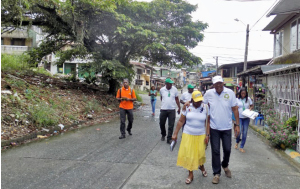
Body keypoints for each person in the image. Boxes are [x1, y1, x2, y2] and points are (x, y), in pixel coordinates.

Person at [184, 76, 240, 184]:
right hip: (214, 127)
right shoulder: (209, 93)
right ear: (213, 85)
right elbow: (199, 101)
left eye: (220, 83)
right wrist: (188, 103)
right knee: (215, 151)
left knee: (227, 149)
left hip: (227, 127)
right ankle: (216, 173)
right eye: (216, 84)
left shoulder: (230, 93)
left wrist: (237, 124)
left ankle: (224, 165)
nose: (218, 85)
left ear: (223, 83)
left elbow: (235, 109)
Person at [172, 91, 210, 184]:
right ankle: (190, 174)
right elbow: (181, 121)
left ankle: (202, 167)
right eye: (196, 101)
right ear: (192, 100)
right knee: (189, 155)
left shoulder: (205, 107)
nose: (198, 103)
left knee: (200, 154)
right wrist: (175, 133)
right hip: (188, 134)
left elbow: (208, 122)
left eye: (200, 101)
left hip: (201, 135)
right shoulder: (187, 106)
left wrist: (207, 135)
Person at [159, 78, 181, 144]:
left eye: (171, 83)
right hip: (163, 109)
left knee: (171, 125)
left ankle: (169, 138)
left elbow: (177, 99)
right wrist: (164, 103)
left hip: (172, 110)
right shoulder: (162, 90)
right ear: (166, 84)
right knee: (161, 123)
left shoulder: (175, 89)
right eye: (169, 84)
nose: (171, 85)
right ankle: (163, 134)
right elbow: (161, 98)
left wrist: (179, 107)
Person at [235, 88, 253, 153]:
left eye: (244, 94)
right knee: (239, 132)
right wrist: (236, 107)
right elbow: (234, 107)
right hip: (239, 117)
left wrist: (250, 108)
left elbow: (251, 106)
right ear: (240, 93)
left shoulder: (248, 99)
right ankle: (237, 141)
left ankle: (241, 146)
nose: (243, 95)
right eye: (242, 93)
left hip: (246, 117)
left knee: (244, 132)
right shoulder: (237, 100)